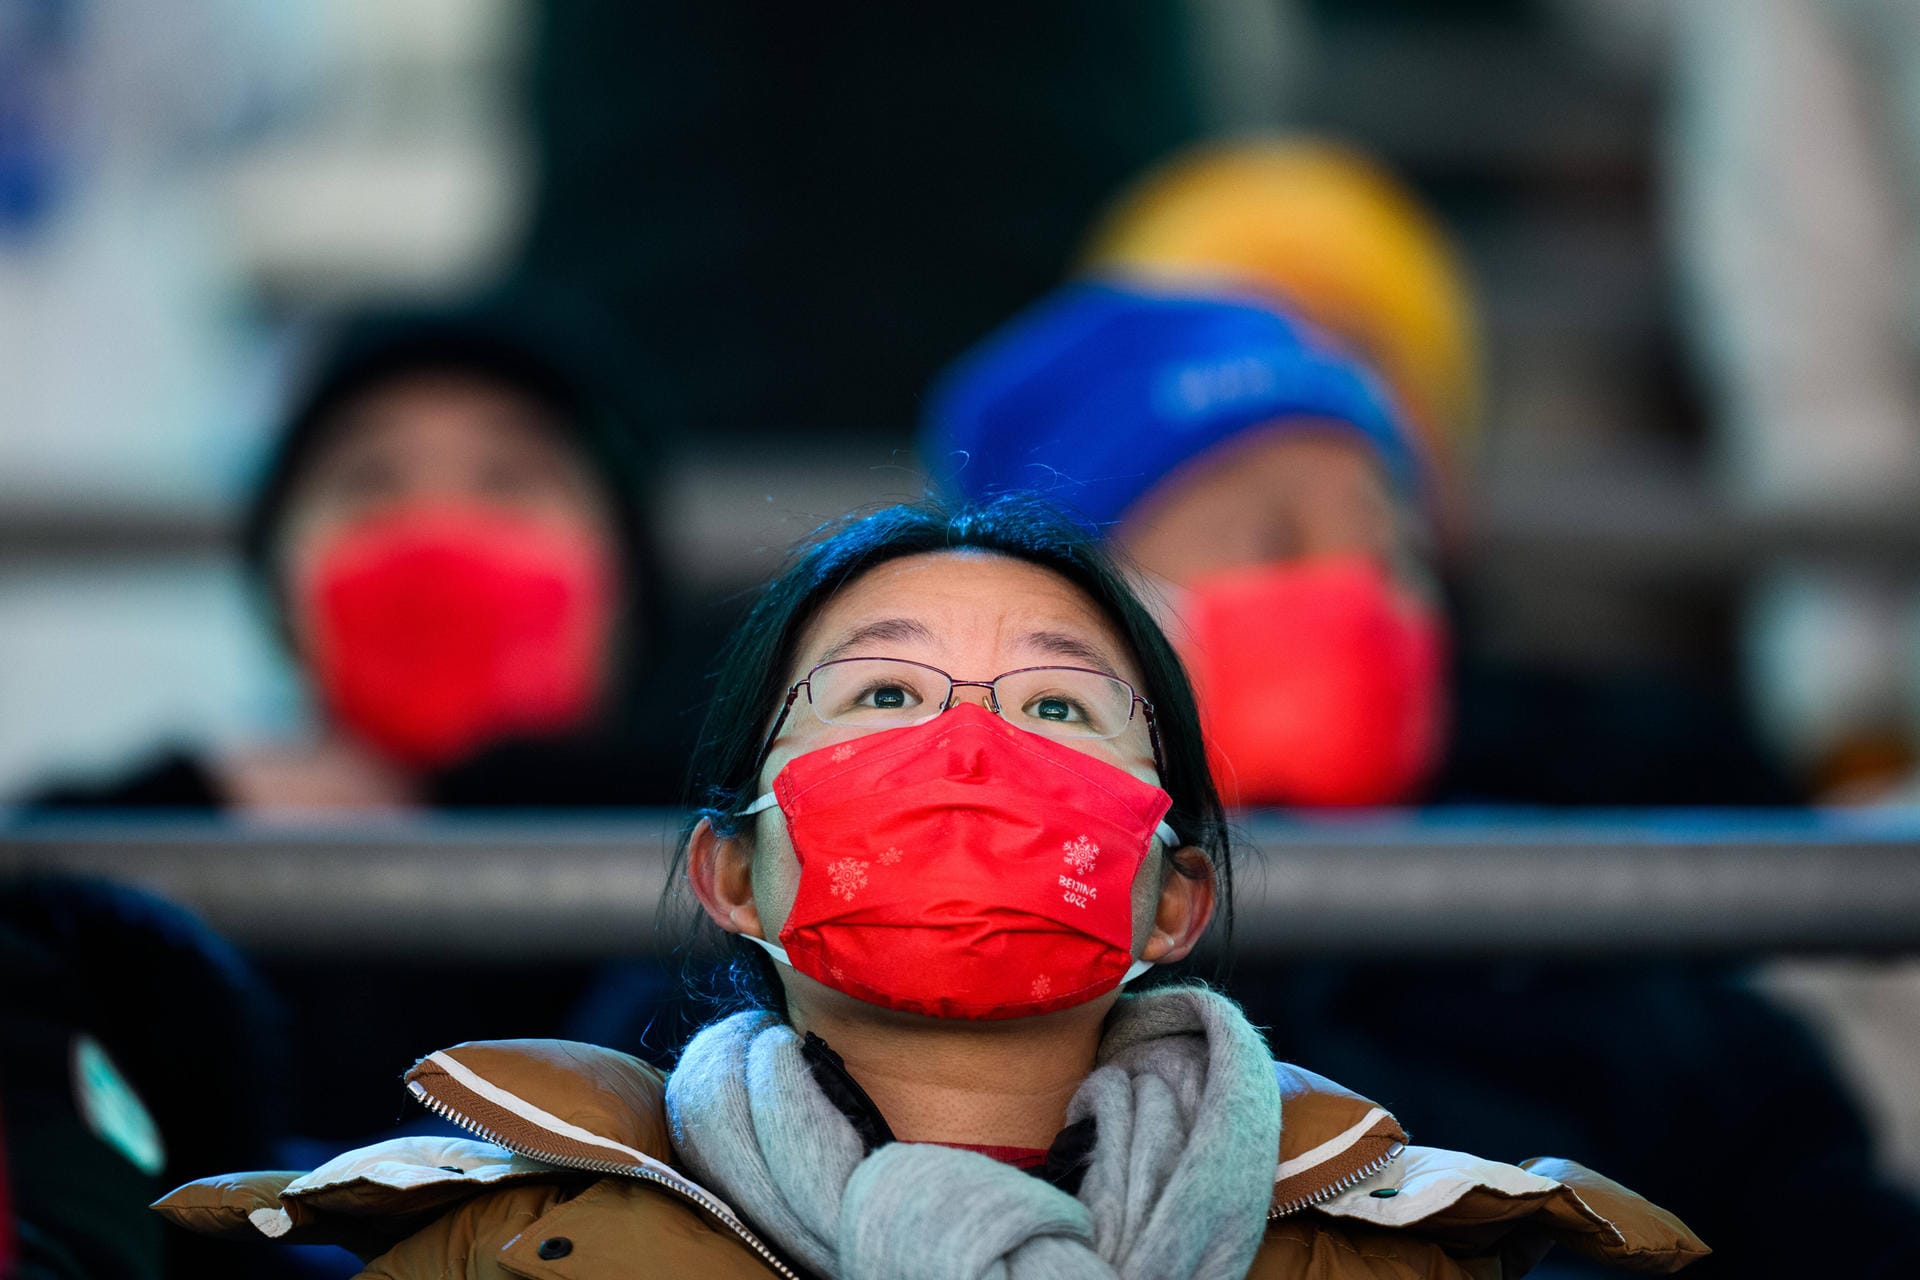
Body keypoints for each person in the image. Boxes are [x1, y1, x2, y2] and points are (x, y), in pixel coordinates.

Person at [153, 499, 1705, 1278]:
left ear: (1177, 899)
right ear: (730, 873)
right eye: (885, 701)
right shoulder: (481, 1249)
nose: (969, 752)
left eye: (1056, 709)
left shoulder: (1423, 1258)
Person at [28, 291, 685, 812]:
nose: (435, 526)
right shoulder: (130, 871)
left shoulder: (735, 866)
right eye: (368, 484)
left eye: (509, 482)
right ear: (282, 586)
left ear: (624, 581)